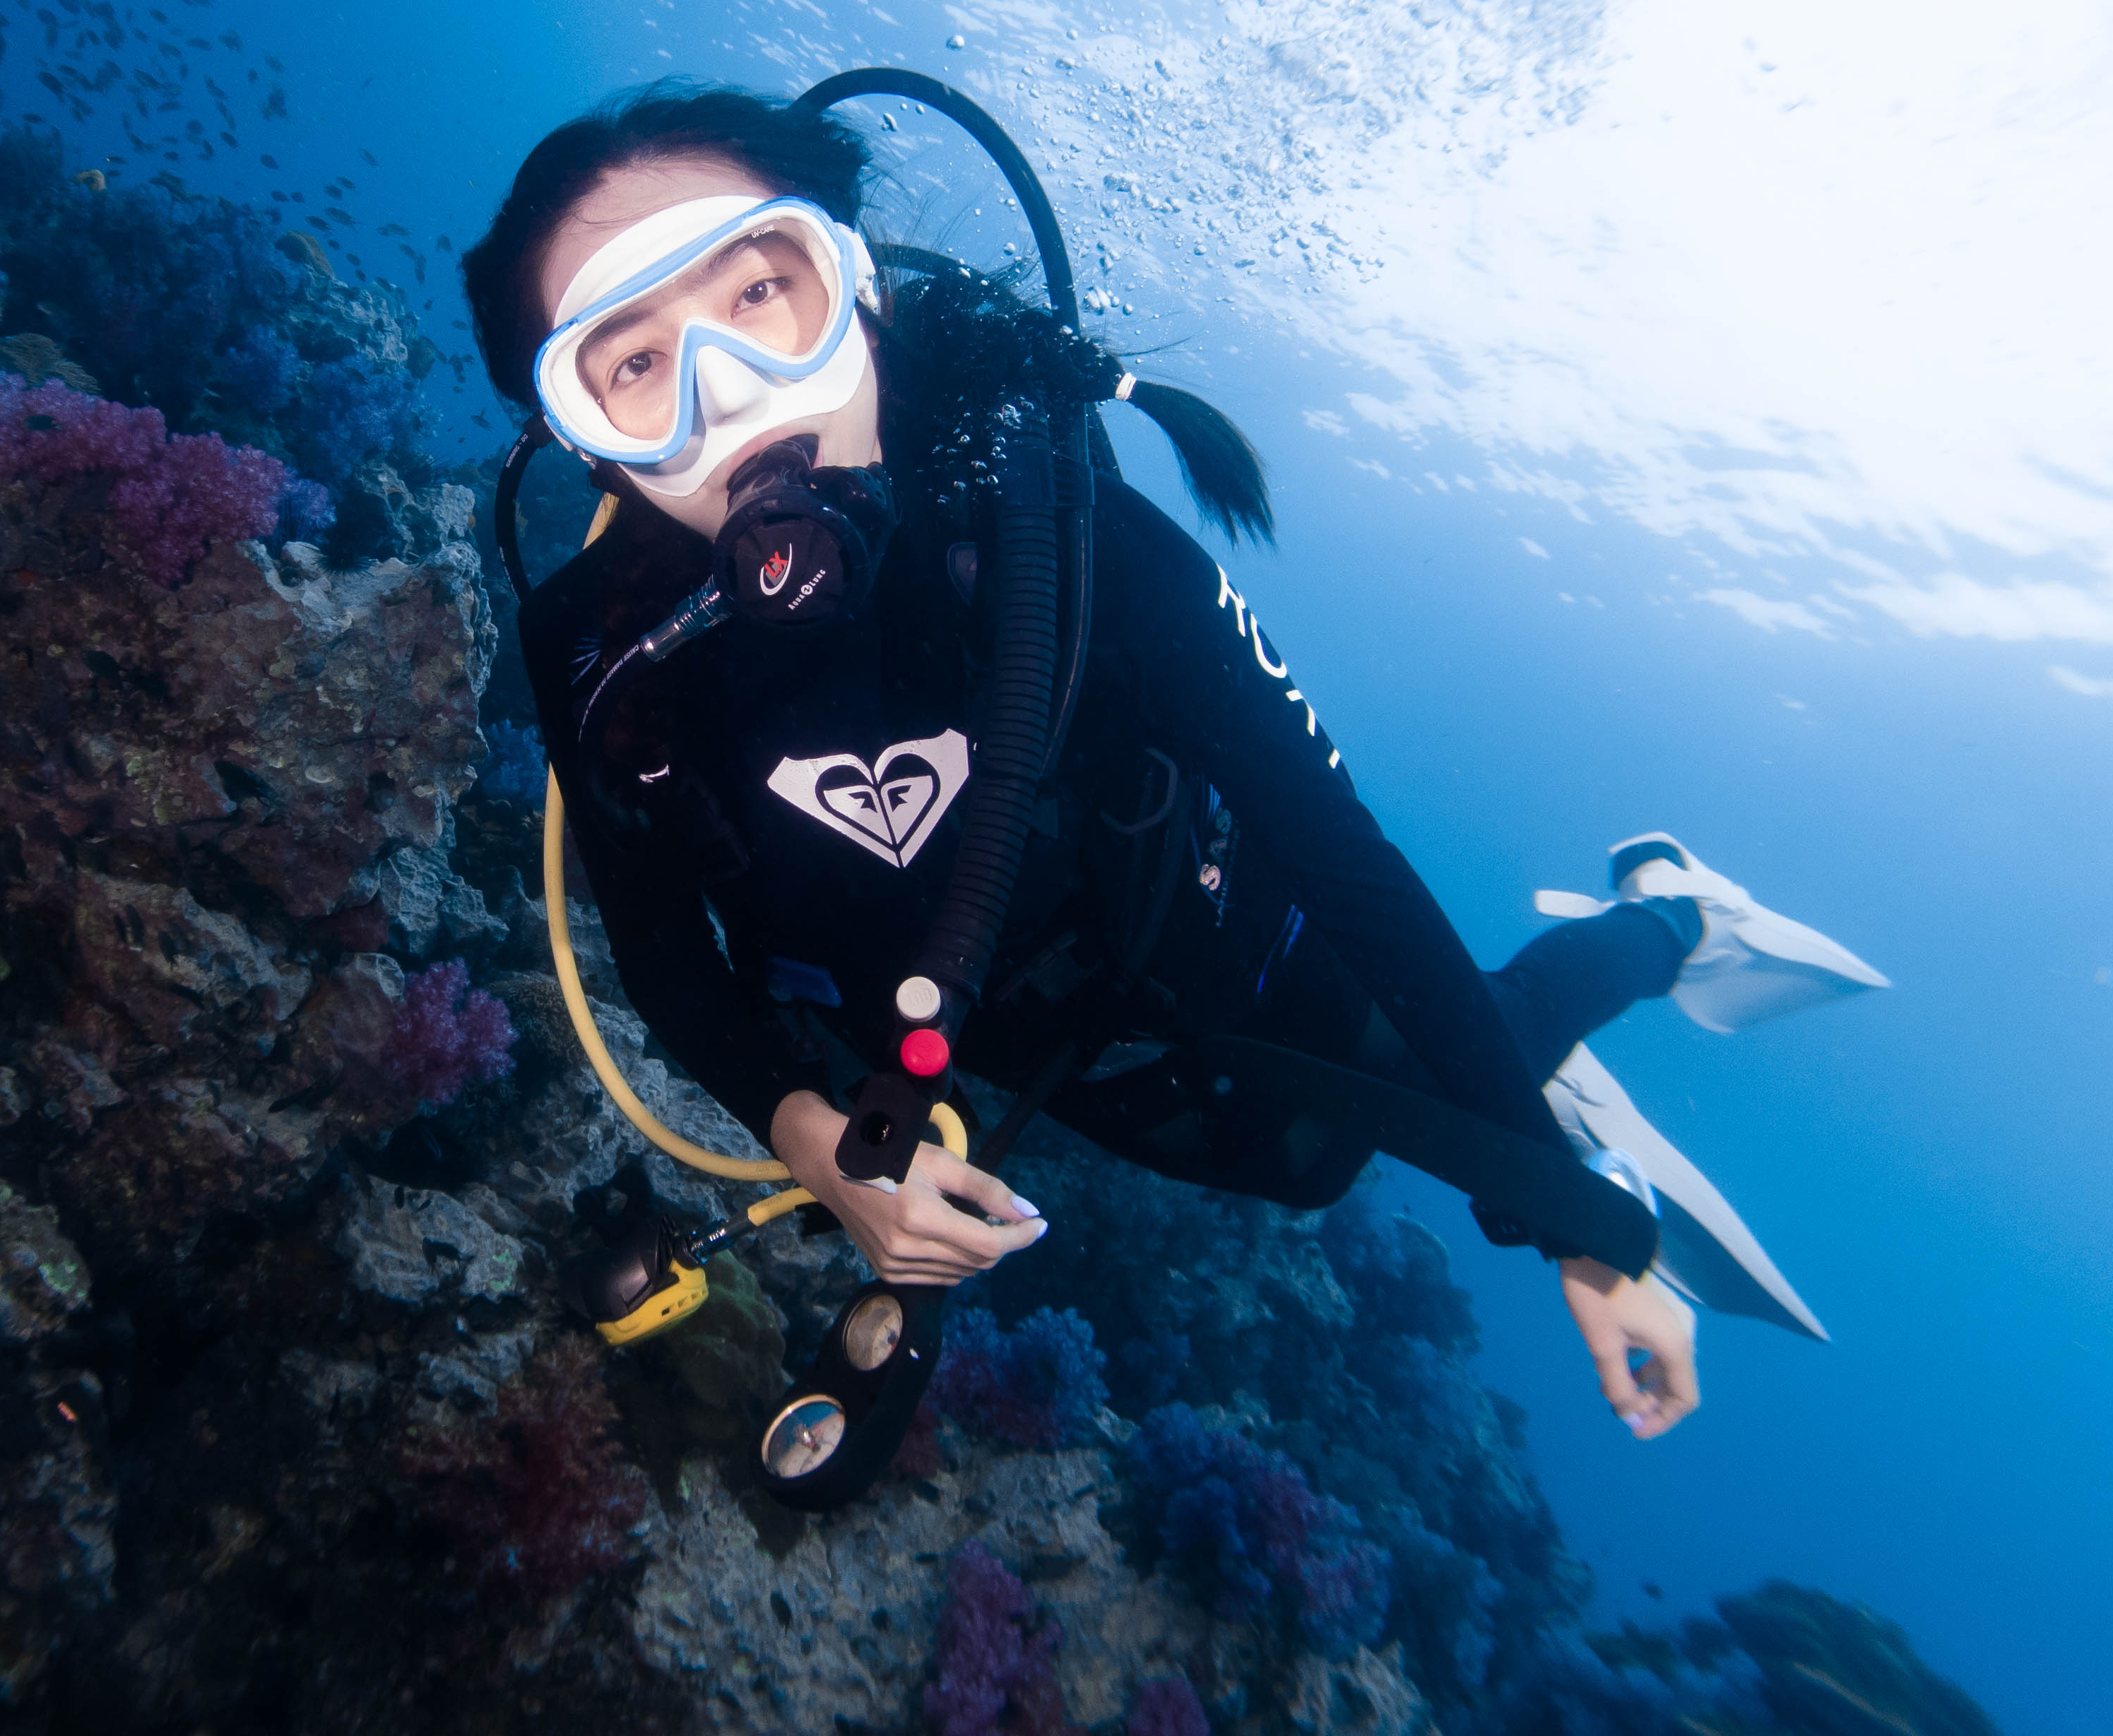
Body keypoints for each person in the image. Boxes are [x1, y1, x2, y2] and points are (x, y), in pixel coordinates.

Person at [462, 82, 1886, 1444]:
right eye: (632, 365)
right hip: (1041, 1057)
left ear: (856, 287)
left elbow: (1337, 852)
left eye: (762, 293)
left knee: (1387, 1104)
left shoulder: (1057, 525)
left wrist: (1565, 1218)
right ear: (584, 442)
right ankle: (1554, 1050)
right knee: (1291, 1180)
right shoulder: (599, 649)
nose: (726, 395)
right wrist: (823, 1148)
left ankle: (1671, 912)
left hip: (1229, 948)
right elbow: (659, 948)